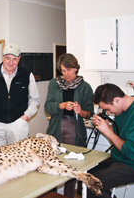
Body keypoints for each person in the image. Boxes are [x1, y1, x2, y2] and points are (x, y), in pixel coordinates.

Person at [85, 83, 134, 198]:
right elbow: (120, 137)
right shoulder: (124, 108)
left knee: (90, 185)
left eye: (107, 109)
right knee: (83, 176)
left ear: (117, 100)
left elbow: (133, 153)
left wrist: (108, 132)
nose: (108, 113)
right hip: (120, 157)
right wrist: (106, 126)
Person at [44, 53, 94, 198]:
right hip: (56, 127)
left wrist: (81, 111)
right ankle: (51, 194)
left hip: (75, 128)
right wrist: (62, 105)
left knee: (71, 164)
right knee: (52, 162)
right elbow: (48, 107)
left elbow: (90, 113)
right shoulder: (54, 83)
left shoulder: (85, 87)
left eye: (69, 70)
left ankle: (69, 195)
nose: (66, 74)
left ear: (76, 69)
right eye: (63, 70)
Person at [0, 43, 40, 147]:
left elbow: (35, 99)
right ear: (2, 57)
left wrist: (26, 116)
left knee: (19, 157)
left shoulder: (27, 74)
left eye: (14, 59)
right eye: (7, 58)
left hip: (18, 123)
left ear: (19, 59)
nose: (11, 62)